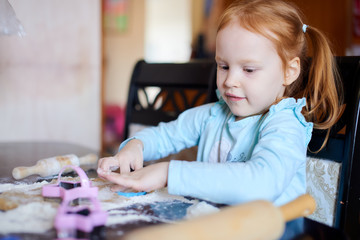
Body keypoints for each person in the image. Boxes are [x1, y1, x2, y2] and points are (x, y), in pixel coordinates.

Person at [97, 0, 342, 206]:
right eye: (223, 66)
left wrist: (168, 173)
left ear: (289, 72)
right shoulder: (213, 115)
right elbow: (165, 136)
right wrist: (134, 147)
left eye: (248, 69)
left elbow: (262, 183)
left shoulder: (285, 123)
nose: (230, 81)